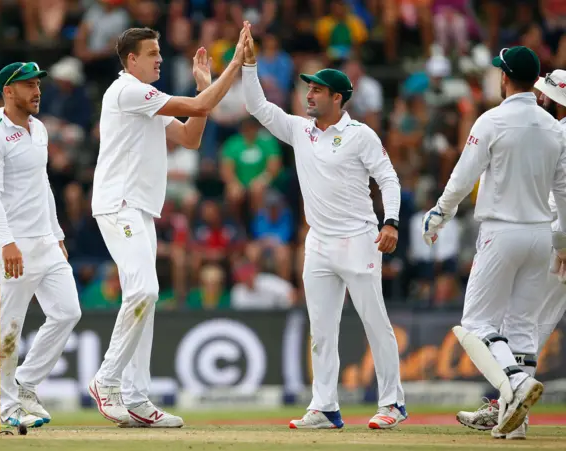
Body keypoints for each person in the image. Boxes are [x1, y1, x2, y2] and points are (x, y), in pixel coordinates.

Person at [241, 24, 407, 430]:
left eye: (316, 90)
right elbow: (258, 107)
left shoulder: (359, 134)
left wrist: (392, 222)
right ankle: (325, 406)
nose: (308, 94)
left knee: (375, 321)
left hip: (359, 240)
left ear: (338, 98)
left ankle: (393, 403)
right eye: (307, 89)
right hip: (317, 243)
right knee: (321, 329)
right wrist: (249, 66)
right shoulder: (301, 130)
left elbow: (389, 178)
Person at [88, 25, 248, 427]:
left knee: (146, 298)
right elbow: (196, 108)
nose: (160, 59)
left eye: (160, 52)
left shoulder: (148, 101)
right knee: (144, 289)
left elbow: (191, 137)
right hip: (118, 205)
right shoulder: (127, 90)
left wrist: (206, 87)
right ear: (131, 60)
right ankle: (106, 382)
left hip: (139, 209)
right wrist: (233, 68)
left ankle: (137, 398)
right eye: (152, 53)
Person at [422, 48, 566, 439]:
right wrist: (562, 242)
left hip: (501, 232)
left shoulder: (492, 120)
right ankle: (514, 422)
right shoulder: (554, 128)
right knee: (521, 328)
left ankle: (514, 385)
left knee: (475, 324)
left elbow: (462, 176)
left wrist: (439, 214)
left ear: (505, 77)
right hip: (541, 235)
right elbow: (563, 191)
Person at [0, 62, 82, 429]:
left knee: (68, 312)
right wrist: (7, 242)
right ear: (8, 91)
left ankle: (26, 383)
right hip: (13, 245)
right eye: (28, 85)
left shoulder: (39, 129)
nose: (37, 91)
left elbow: (43, 185)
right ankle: (6, 408)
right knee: (8, 329)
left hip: (45, 242)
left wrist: (57, 234)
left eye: (38, 84)